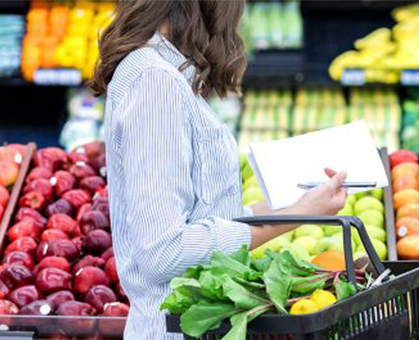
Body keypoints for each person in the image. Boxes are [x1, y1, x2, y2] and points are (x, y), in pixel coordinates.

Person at [88, 1, 347, 339]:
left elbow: (201, 218)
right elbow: (163, 251)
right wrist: (294, 216)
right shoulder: (155, 81)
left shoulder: (165, 74)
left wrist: (299, 204)